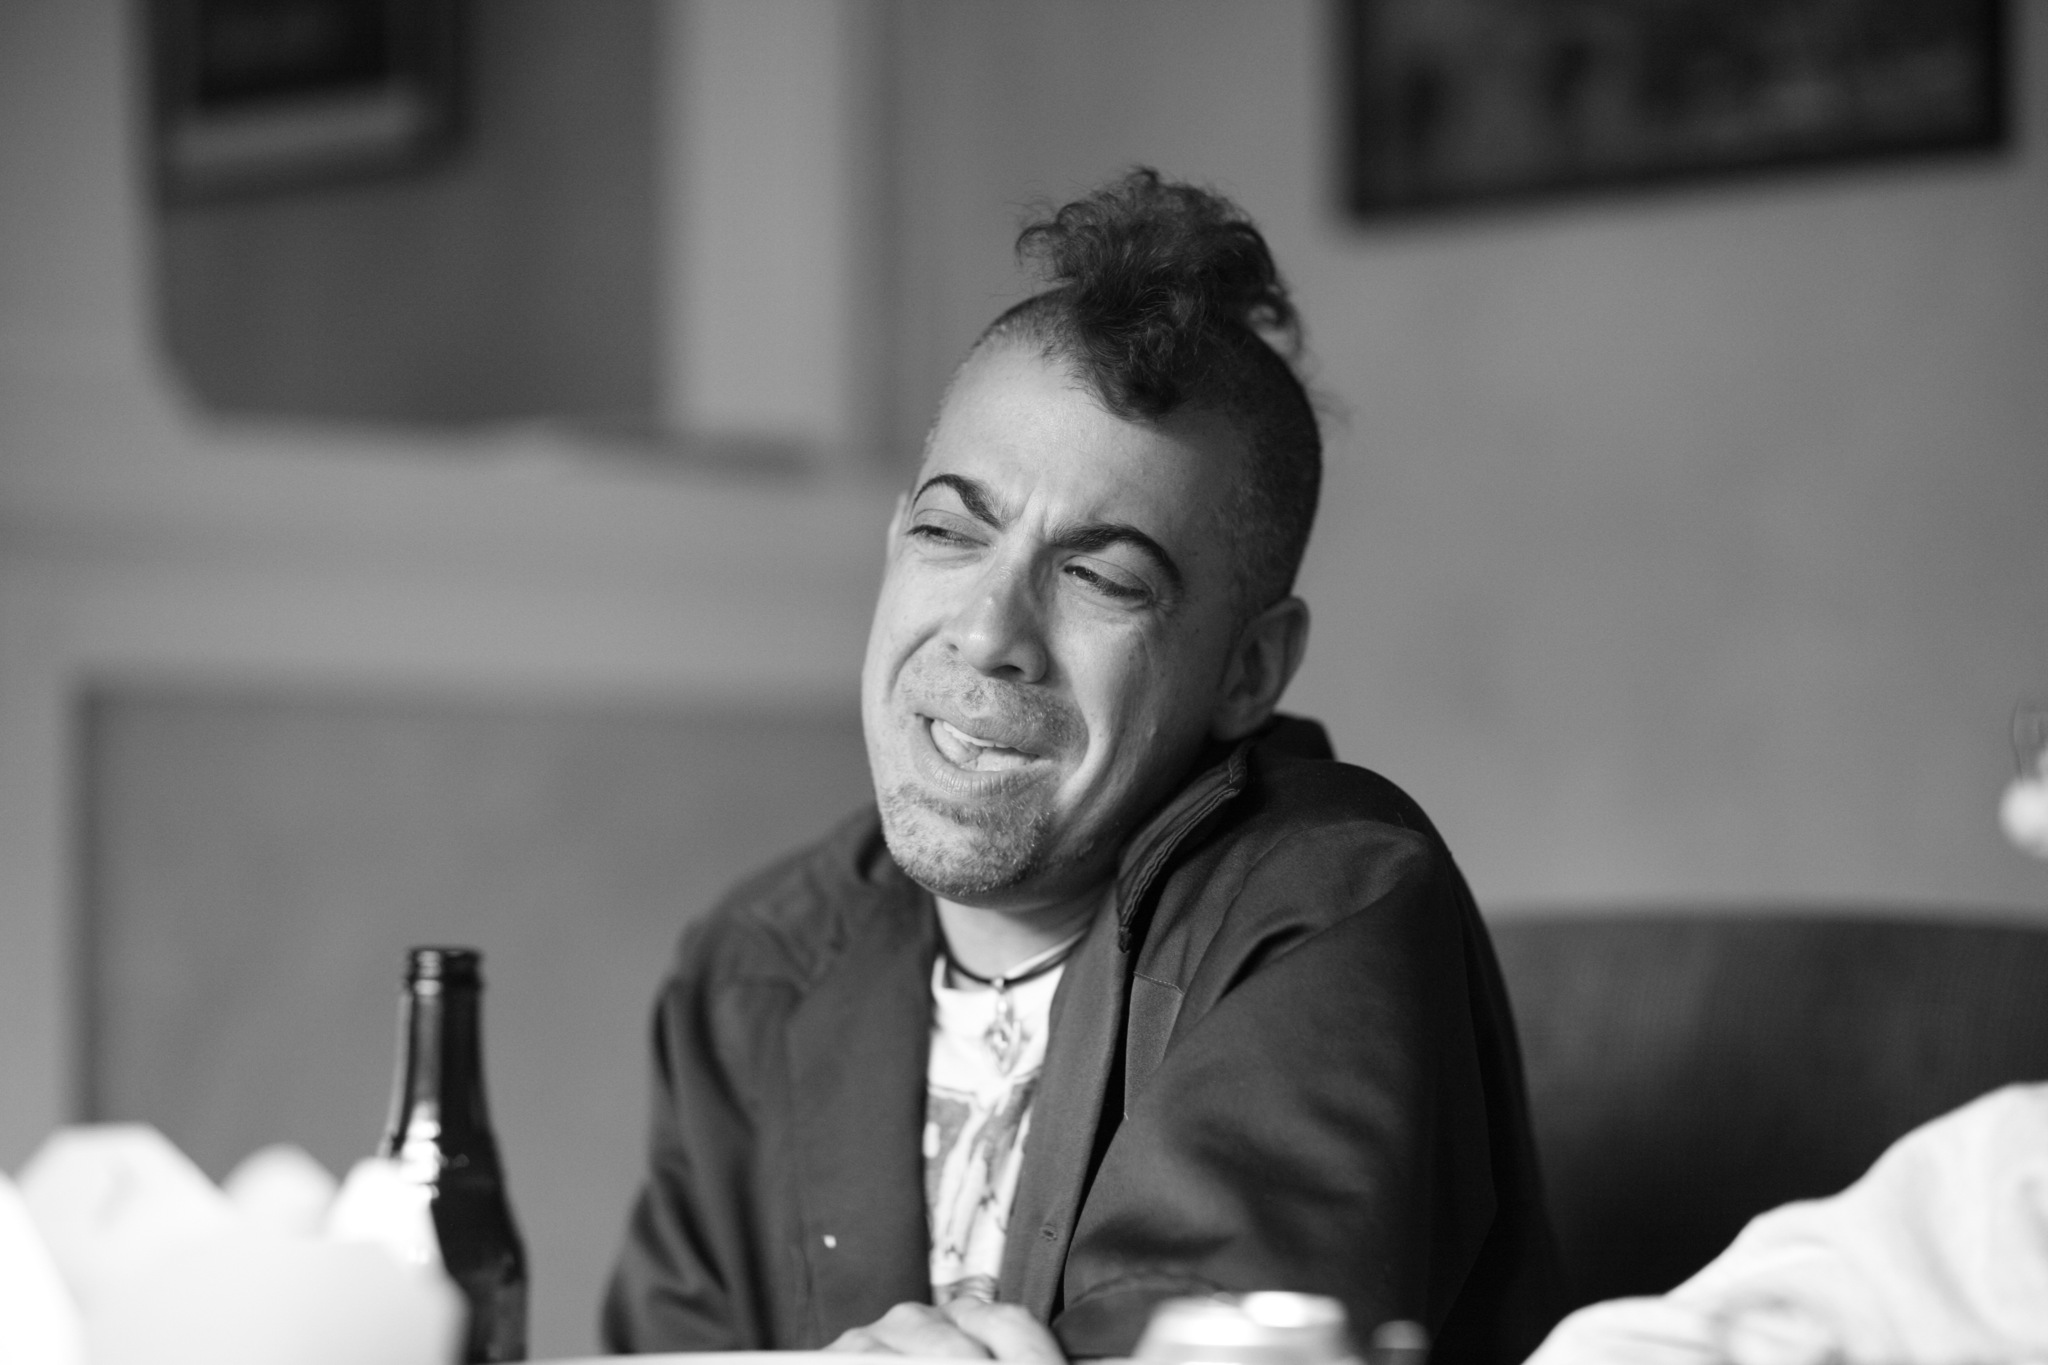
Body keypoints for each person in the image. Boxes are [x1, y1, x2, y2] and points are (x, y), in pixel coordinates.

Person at [602, 169, 1561, 1364]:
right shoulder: (753, 971)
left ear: (1249, 672)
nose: (987, 631)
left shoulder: (1331, 900)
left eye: (1099, 578)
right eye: (951, 532)